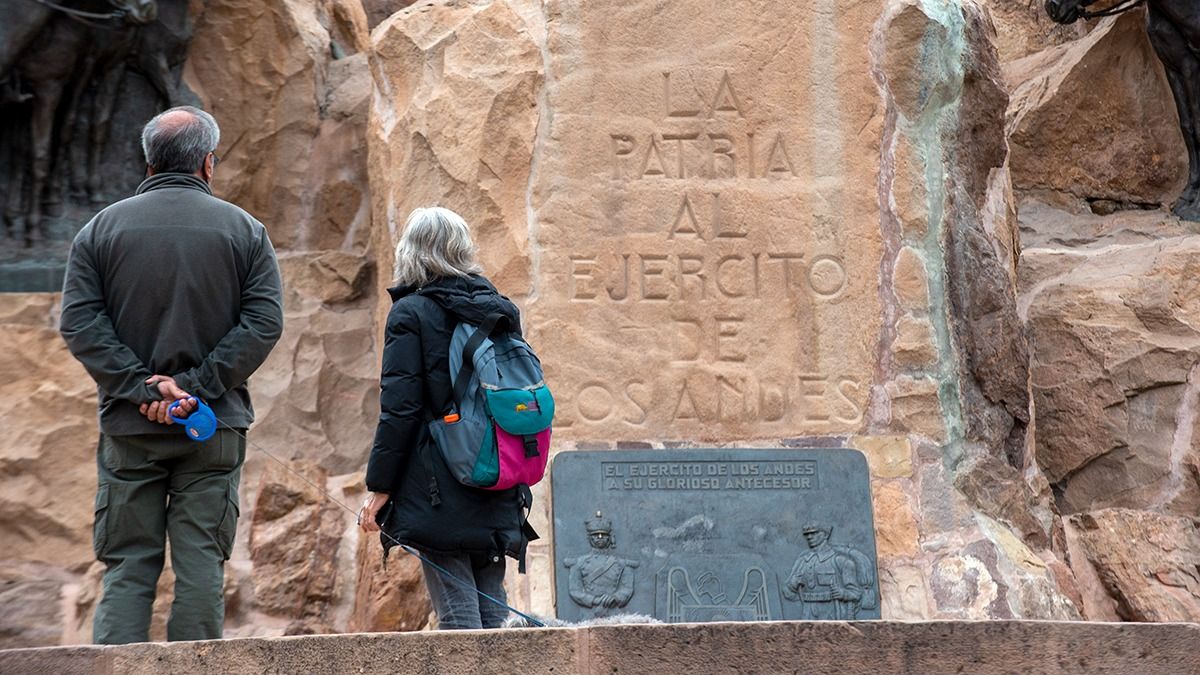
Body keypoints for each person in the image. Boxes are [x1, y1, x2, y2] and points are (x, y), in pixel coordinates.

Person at [59, 105, 283, 644]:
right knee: (202, 564)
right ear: (209, 163)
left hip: (130, 429)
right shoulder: (246, 231)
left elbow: (79, 322)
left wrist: (142, 388)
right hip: (212, 427)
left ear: (148, 161)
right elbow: (264, 322)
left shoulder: (99, 231)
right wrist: (197, 390)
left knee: (128, 566)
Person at [359, 206, 533, 630]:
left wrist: (380, 488)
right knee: (493, 614)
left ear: (410, 254)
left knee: (458, 619)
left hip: (439, 483)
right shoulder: (498, 309)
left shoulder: (411, 313)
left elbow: (401, 409)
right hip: (497, 472)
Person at [782, 523, 865, 620]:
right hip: (807, 614)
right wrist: (792, 585)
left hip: (832, 613)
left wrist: (843, 593)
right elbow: (787, 593)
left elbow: (857, 594)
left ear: (826, 535)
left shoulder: (841, 561)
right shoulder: (802, 561)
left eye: (814, 533)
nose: (809, 537)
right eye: (807, 534)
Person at [564, 511, 640, 610]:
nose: (600, 538)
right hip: (588, 614)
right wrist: (593, 600)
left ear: (610, 539)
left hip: (615, 612)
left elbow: (627, 589)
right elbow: (574, 590)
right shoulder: (579, 563)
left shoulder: (622, 564)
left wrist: (616, 598)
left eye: (603, 535)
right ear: (590, 539)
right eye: (596, 535)